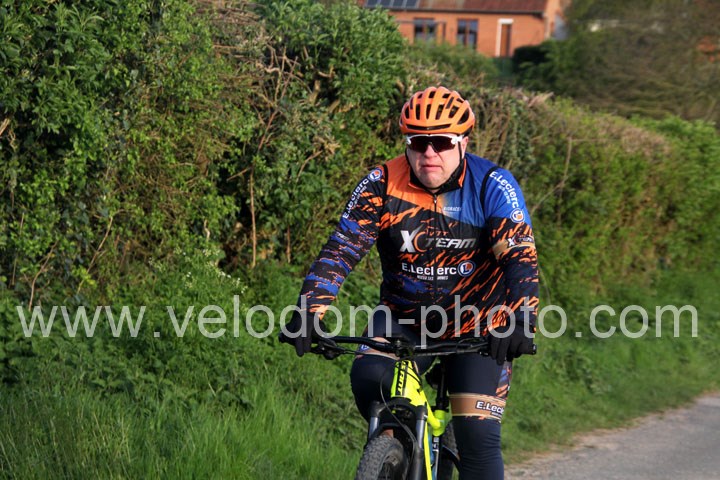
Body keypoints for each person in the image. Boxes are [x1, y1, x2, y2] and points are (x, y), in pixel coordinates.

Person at [280, 86, 538, 479]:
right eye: (418, 142)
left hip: (480, 324)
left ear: (464, 142)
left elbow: (519, 256)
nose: (429, 153)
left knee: (477, 437)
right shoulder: (382, 182)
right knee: (370, 381)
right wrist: (308, 309)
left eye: (441, 142)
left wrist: (521, 320)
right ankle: (397, 450)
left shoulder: (492, 185)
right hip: (403, 318)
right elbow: (343, 248)